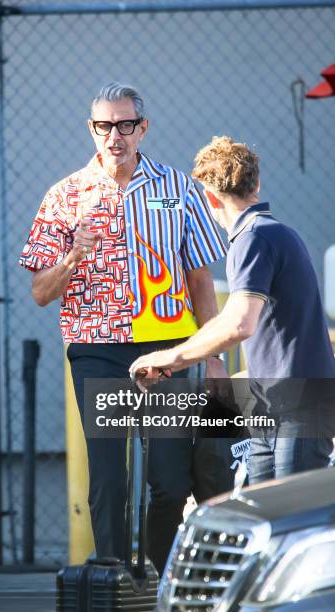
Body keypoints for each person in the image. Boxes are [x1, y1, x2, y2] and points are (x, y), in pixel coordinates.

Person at [19, 83, 230, 575]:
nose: (115, 136)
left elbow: (200, 277)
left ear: (143, 128)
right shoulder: (64, 195)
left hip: (169, 349)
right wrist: (74, 256)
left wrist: (214, 351)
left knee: (171, 481)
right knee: (110, 476)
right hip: (97, 348)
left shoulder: (178, 189)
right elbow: (40, 292)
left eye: (125, 124)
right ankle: (112, 577)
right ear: (92, 129)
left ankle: (157, 579)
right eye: (104, 126)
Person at [130, 135, 335, 484]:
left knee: (290, 522)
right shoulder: (272, 233)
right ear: (256, 183)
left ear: (210, 198)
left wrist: (169, 359)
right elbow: (233, 318)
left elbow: (240, 325)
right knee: (261, 518)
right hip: (273, 407)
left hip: (298, 407)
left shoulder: (254, 238)